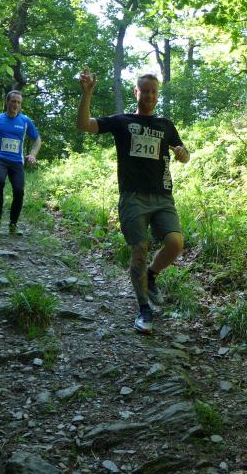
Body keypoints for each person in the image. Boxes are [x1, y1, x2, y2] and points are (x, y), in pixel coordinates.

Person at [76, 68, 190, 335]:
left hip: (162, 196)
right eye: (145, 91)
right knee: (140, 249)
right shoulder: (122, 121)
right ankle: (144, 308)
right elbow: (84, 125)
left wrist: (183, 153)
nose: (149, 95)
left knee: (175, 243)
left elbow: (183, 154)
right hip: (133, 197)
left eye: (153, 92)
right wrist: (87, 93)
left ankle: (151, 274)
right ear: (136, 92)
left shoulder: (165, 125)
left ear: (157, 95)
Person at [0, 90, 41, 235]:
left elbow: (37, 139)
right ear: (7, 102)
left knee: (19, 191)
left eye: (19, 102)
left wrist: (33, 154)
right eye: (13, 101)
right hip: (0, 159)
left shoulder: (25, 121)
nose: (16, 105)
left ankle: (13, 224)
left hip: (17, 162)